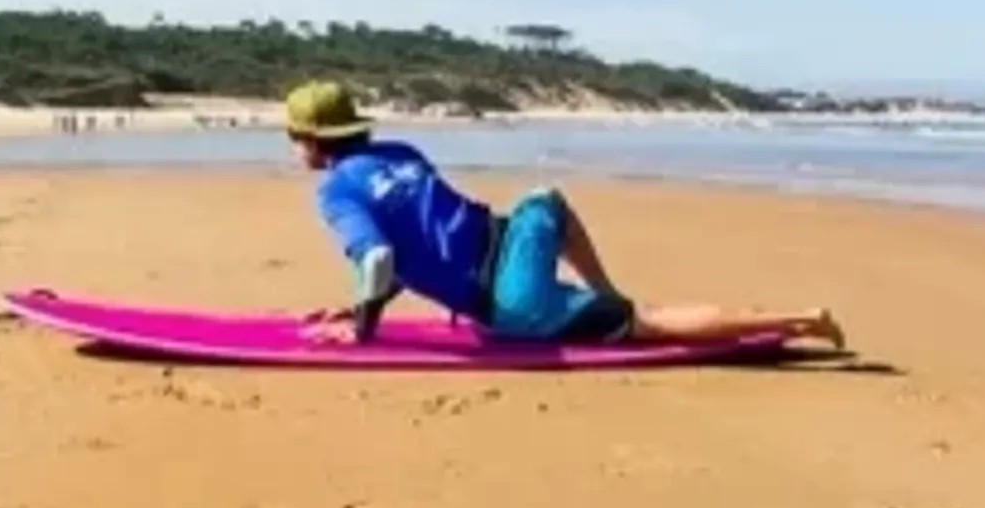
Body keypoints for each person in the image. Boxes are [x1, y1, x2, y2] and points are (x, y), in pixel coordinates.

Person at [280, 81, 847, 353]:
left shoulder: (336, 193)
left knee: (647, 323)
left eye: (293, 137)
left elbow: (381, 256)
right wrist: (364, 295)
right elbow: (414, 245)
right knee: (547, 199)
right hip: (513, 235)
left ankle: (801, 318)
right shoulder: (400, 154)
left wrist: (361, 328)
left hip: (509, 301)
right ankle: (605, 293)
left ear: (310, 140)